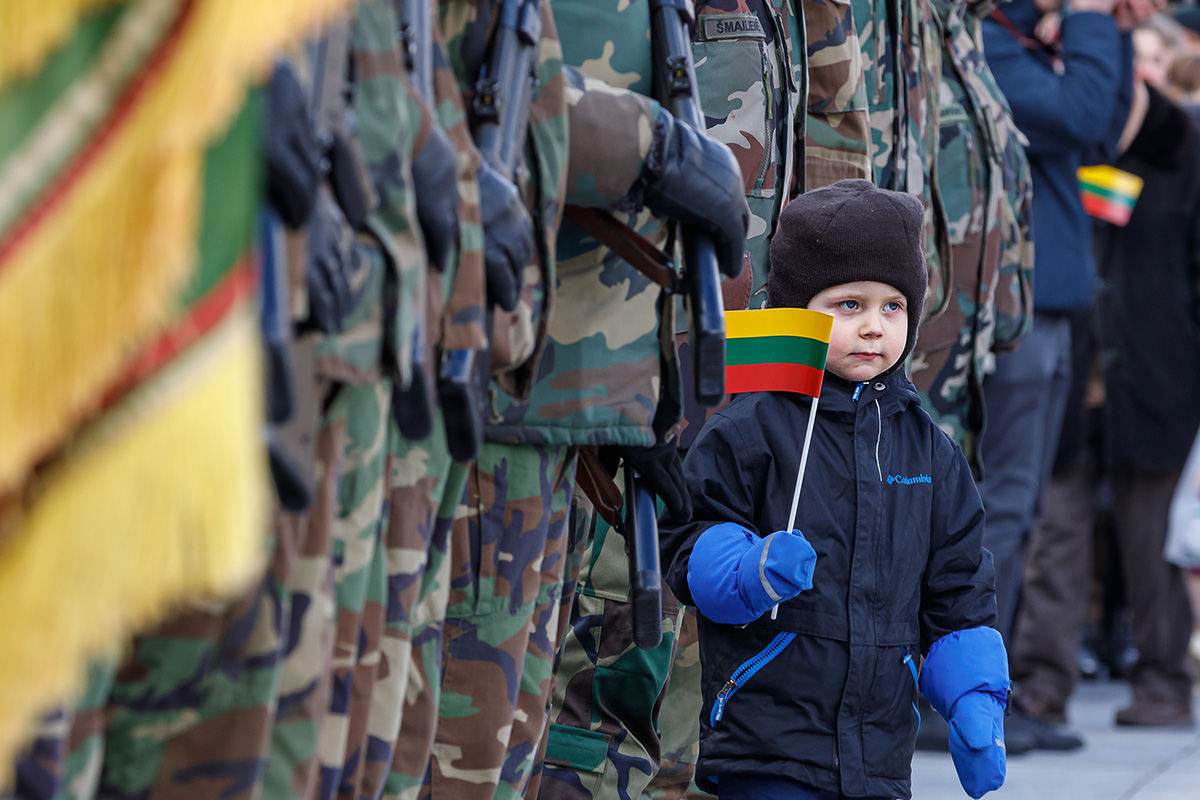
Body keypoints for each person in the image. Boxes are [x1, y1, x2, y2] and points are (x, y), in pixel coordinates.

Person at [659, 180, 1008, 800]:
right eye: (849, 305)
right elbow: (687, 536)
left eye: (892, 307)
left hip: (879, 753)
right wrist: (748, 568)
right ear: (800, 311)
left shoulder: (929, 449)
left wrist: (974, 697)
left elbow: (958, 588)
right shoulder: (751, 428)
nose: (874, 327)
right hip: (769, 746)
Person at [978, 0, 1146, 748]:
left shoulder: (1029, 41)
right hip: (1019, 308)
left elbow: (1105, 128)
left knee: (1026, 508)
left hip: (1052, 305)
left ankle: (991, 695)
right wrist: (1085, 20)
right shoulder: (986, 42)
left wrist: (1114, 27)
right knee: (1003, 509)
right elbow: (1077, 115)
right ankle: (964, 695)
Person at [1092, 77, 1200, 727]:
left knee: (1158, 538)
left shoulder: (1185, 153)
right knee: (1063, 529)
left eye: (1158, 61)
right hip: (1087, 375)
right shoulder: (1090, 147)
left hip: (1163, 380)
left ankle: (1166, 679)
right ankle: (1036, 678)